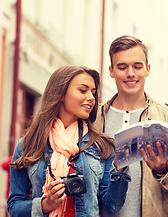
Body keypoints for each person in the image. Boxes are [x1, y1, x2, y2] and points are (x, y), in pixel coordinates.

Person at [7, 66, 130, 217]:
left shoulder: (101, 146)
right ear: (61, 94)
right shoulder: (28, 145)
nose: (92, 98)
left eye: (93, 92)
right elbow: (14, 206)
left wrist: (119, 168)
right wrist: (46, 204)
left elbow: (112, 205)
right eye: (83, 90)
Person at [94, 35, 168, 217]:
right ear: (111, 71)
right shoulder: (94, 118)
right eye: (122, 67)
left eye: (137, 66)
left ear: (147, 69)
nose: (130, 73)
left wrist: (164, 169)